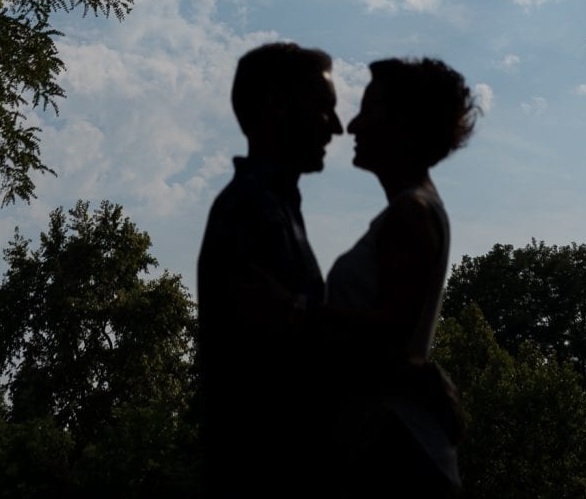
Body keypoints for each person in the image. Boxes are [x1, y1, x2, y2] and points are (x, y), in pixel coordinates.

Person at [196, 41, 343, 499]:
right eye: (324, 109)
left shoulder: (271, 206)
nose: (336, 127)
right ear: (278, 106)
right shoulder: (248, 210)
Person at [324, 56, 477, 498]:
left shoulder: (409, 215)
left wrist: (295, 309)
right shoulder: (416, 209)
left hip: (398, 452)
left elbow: (391, 333)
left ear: (405, 125)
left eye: (369, 110)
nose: (352, 126)